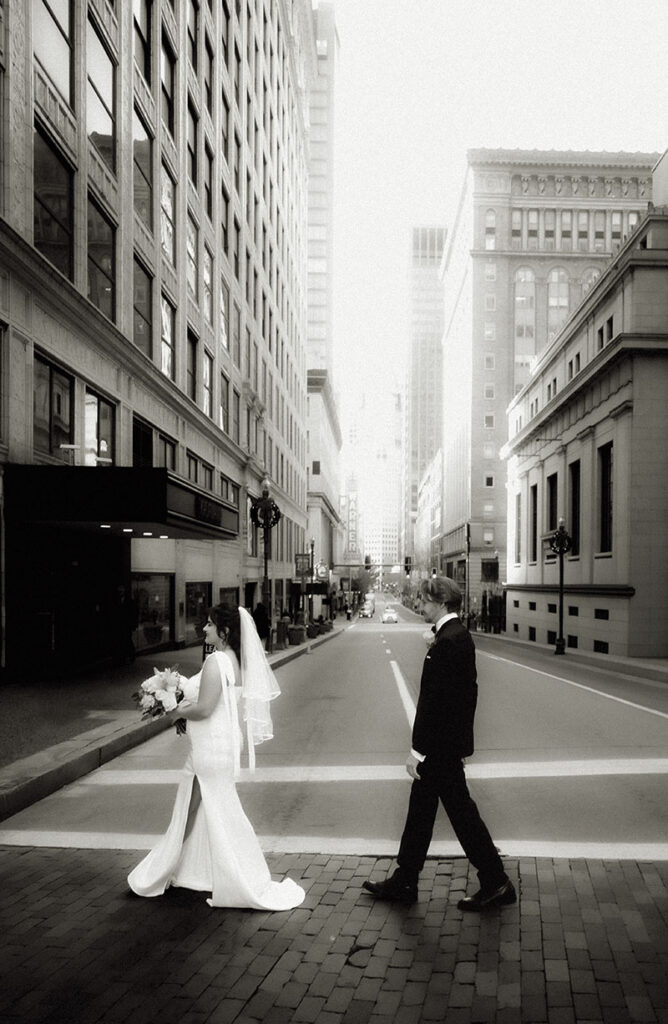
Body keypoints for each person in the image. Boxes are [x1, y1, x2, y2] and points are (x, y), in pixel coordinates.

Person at [127, 604, 305, 911]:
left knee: (199, 810)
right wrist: (177, 692)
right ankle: (195, 871)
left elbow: (206, 707)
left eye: (210, 625)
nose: (204, 629)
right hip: (220, 744)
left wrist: (173, 711)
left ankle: (169, 872)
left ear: (223, 631)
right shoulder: (234, 661)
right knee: (205, 809)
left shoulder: (215, 660)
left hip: (210, 749)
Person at [363, 576, 516, 912]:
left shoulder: (450, 641)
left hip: (440, 748)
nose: (420, 604)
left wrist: (418, 750)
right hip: (446, 745)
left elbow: (435, 701)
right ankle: (406, 878)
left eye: (425, 599)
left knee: (461, 814)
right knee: (423, 809)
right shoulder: (452, 636)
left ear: (441, 601)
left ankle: (496, 880)